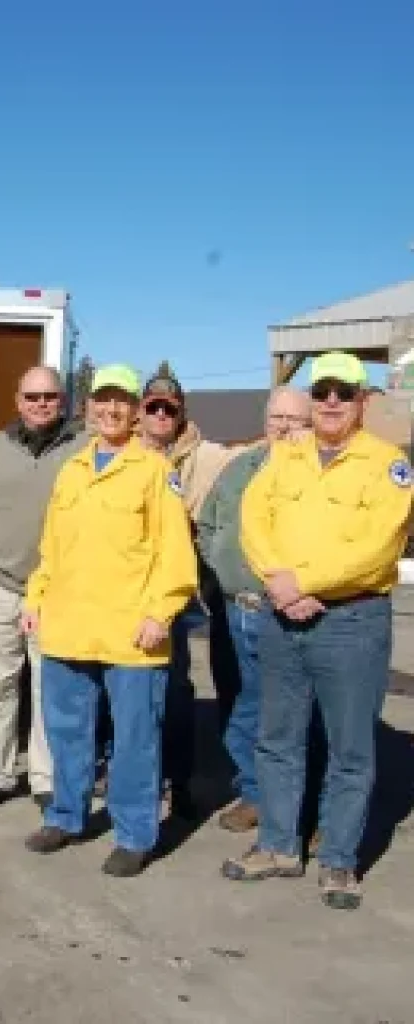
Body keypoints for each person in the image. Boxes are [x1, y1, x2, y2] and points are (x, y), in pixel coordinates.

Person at [222, 352, 412, 911]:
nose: (331, 400)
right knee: (278, 738)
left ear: (363, 401)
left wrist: (304, 581)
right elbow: (254, 521)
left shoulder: (388, 464)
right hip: (283, 617)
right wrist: (280, 583)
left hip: (352, 621)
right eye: (322, 390)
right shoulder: (285, 458)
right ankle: (279, 845)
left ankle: (339, 862)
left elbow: (379, 545)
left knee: (350, 748)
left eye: (343, 391)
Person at [21, 364, 197, 876]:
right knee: (67, 731)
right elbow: (52, 548)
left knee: (135, 739)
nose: (111, 410)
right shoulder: (72, 469)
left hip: (131, 633)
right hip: (68, 624)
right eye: (102, 401)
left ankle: (135, 833)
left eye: (121, 402)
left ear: (137, 411)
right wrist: (35, 598)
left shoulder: (155, 471)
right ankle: (66, 816)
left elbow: (175, 554)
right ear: (88, 407)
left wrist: (161, 613)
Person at [0, 365, 88, 811]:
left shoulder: (84, 450)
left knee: (51, 687)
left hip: (58, 592)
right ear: (17, 401)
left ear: (62, 401)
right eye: (32, 396)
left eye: (49, 396)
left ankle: (46, 778)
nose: (40, 404)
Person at [195, 386, 312, 833]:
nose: (284, 426)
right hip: (232, 609)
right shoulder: (239, 468)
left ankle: (299, 804)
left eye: (295, 420)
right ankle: (253, 793)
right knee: (239, 707)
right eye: (277, 417)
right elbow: (207, 524)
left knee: (289, 711)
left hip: (282, 611)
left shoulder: (314, 475)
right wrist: (223, 568)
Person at [136, 368, 233, 818]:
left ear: (180, 414)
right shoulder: (122, 452)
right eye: (151, 406)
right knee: (127, 692)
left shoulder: (209, 457)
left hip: (175, 592)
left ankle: (179, 781)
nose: (159, 414)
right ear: (140, 411)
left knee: (174, 689)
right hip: (126, 590)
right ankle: (131, 777)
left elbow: (252, 458)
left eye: (167, 408)